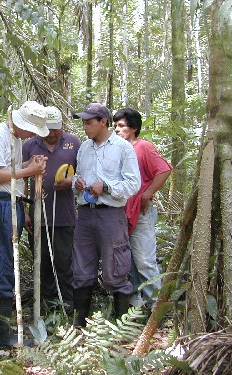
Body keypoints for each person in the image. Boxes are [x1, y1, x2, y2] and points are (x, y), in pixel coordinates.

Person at [0, 100, 49, 347]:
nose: (32, 135)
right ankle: (2, 334)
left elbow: (10, 169)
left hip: (11, 202)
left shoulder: (16, 139)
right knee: (3, 263)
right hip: (0, 204)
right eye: (32, 129)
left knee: (2, 260)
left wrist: (28, 166)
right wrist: (28, 172)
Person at [71, 103, 140, 326]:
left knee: (116, 268)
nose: (85, 127)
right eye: (83, 122)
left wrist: (107, 187)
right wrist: (77, 183)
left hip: (110, 214)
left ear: (103, 122)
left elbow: (133, 184)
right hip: (84, 214)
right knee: (81, 268)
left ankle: (121, 325)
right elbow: (77, 177)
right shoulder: (83, 148)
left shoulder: (123, 148)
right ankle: (79, 324)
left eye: (89, 122)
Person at [22, 106, 81, 314]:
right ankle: (45, 308)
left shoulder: (74, 142)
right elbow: (23, 178)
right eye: (49, 129)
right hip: (38, 216)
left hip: (65, 217)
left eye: (57, 129)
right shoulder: (30, 144)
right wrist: (25, 210)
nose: (53, 133)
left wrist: (70, 182)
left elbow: (83, 174)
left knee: (64, 262)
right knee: (42, 263)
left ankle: (68, 306)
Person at [113, 108, 172, 308]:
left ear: (134, 128)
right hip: (120, 212)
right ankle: (136, 306)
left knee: (145, 260)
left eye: (121, 126)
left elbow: (163, 169)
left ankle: (157, 306)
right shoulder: (116, 148)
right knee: (127, 261)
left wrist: (148, 193)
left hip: (141, 212)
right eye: (115, 126)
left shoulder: (143, 147)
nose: (117, 129)